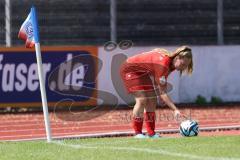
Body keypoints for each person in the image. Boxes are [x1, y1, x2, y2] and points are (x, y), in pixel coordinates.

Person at [120, 46, 193, 138]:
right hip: (129, 69)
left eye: (185, 66)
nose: (183, 68)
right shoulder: (163, 63)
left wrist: (160, 94)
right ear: (177, 58)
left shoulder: (171, 64)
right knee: (142, 100)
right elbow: (162, 91)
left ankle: (151, 133)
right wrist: (175, 110)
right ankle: (138, 133)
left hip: (142, 72)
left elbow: (160, 80)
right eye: (183, 65)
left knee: (152, 99)